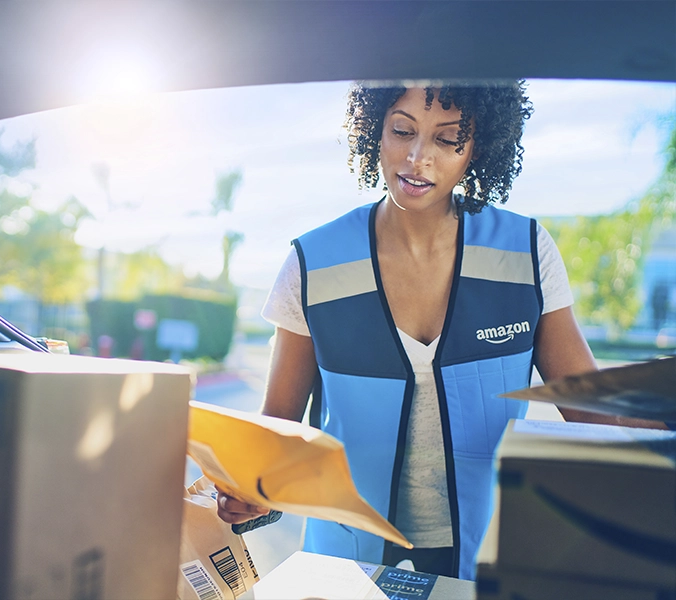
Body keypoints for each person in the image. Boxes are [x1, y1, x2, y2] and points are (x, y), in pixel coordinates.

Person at [216, 81, 665, 580]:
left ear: (478, 146)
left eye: (448, 139)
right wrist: (253, 491)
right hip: (344, 562)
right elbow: (279, 430)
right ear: (374, 132)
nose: (417, 157)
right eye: (402, 130)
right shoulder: (312, 263)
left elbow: (592, 416)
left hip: (487, 558)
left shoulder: (527, 253)